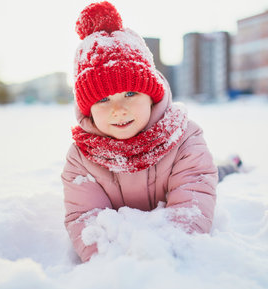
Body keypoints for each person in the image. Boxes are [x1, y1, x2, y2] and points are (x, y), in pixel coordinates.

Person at [61, 1, 240, 262]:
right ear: (87, 109)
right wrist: (109, 261)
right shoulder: (81, 156)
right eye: (103, 100)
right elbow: (84, 216)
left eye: (130, 93)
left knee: (216, 170)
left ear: (151, 95)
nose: (119, 109)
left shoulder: (183, 136)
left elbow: (194, 198)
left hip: (194, 173)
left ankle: (232, 164)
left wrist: (169, 251)